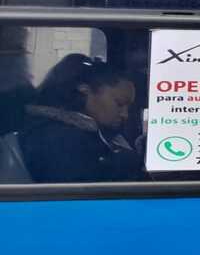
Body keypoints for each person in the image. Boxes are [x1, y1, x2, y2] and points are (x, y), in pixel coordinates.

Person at [19, 54, 141, 183]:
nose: (125, 114)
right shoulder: (60, 139)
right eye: (119, 103)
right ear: (85, 90)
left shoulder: (93, 134)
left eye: (129, 107)